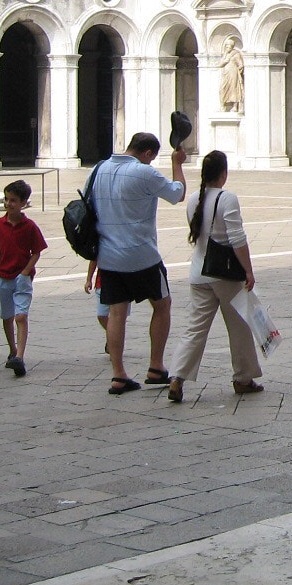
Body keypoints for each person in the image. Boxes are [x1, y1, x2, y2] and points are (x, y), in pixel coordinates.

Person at [92, 131, 186, 395]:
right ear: (147, 153)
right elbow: (176, 193)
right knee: (162, 304)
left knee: (116, 313)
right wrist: (177, 164)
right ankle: (156, 367)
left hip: (109, 256)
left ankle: (118, 375)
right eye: (152, 158)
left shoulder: (98, 169)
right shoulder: (144, 172)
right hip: (142, 254)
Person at [166, 150, 263, 402]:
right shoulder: (227, 198)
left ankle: (177, 376)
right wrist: (248, 270)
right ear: (223, 173)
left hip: (198, 273)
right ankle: (243, 378)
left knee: (195, 328)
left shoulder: (194, 200)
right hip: (225, 275)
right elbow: (237, 239)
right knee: (239, 327)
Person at [0, 179, 45, 378]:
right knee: (7, 316)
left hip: (21, 278)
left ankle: (20, 355)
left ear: (24, 203)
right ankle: (12, 348)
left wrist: (26, 271)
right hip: (3, 276)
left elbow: (37, 251)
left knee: (21, 316)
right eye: (7, 200)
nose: (9, 204)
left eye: (13, 200)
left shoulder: (29, 226)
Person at [84, 260, 109, 353]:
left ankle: (114, 341)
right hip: (102, 283)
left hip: (124, 283)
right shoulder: (101, 245)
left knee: (119, 318)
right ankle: (114, 334)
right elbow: (93, 259)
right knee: (101, 315)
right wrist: (88, 280)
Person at [219, 36, 245, 112]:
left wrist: (240, 69)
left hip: (233, 74)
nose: (227, 48)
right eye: (226, 47)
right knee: (222, 88)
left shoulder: (236, 54)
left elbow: (240, 64)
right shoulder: (225, 55)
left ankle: (235, 106)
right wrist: (225, 60)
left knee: (234, 89)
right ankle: (222, 105)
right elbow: (220, 64)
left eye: (229, 46)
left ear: (232, 47)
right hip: (225, 74)